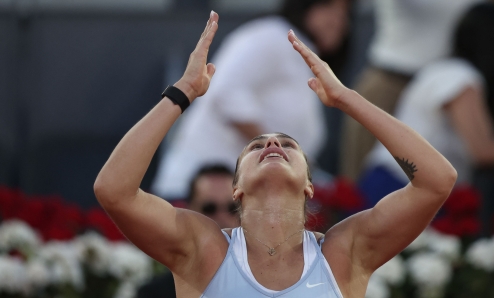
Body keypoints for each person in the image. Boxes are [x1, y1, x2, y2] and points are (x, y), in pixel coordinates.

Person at [94, 12, 457, 297]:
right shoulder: (202, 248)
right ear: (236, 189)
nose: (271, 144)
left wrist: (347, 98)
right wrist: (182, 92)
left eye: (287, 144)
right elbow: (114, 191)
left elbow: (438, 181)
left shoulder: (344, 253)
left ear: (310, 186)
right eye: (256, 146)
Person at [151, 0, 351, 199]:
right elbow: (226, 94)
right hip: (199, 196)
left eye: (344, 13)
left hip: (247, 201)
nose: (336, 21)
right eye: (327, 7)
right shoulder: (272, 35)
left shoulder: (304, 58)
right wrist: (279, 154)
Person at [360, 2, 494, 207]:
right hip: (397, 190)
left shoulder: (467, 81)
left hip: (418, 191)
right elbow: (484, 150)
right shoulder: (458, 77)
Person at [137, 164, 237, 298]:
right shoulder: (155, 293)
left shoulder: (268, 283)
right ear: (190, 211)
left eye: (232, 207)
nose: (222, 218)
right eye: (209, 208)